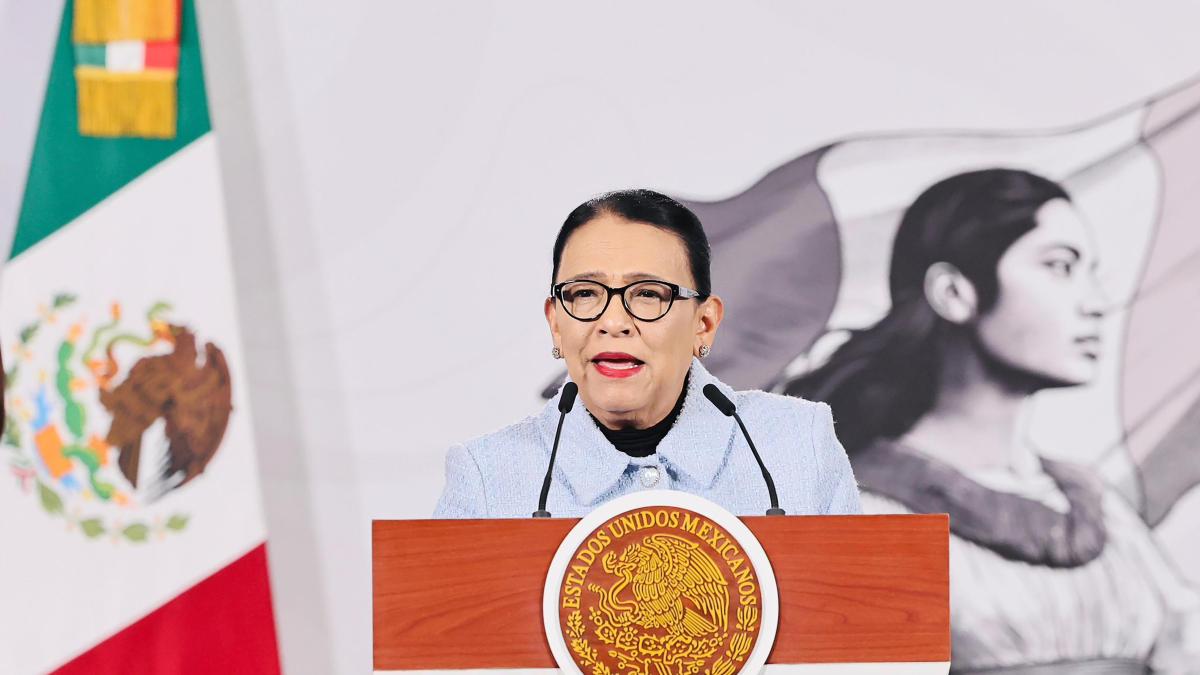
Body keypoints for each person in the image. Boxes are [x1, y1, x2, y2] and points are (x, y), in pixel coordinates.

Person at [785, 169, 1200, 673]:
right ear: (955, 292)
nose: (1095, 303)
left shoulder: (1097, 506)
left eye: (1091, 272)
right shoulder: (863, 514)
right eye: (1060, 266)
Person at [434, 189, 862, 519]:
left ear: (704, 323)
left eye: (648, 294)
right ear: (556, 323)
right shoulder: (487, 475)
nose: (613, 321)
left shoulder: (796, 445)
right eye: (584, 293)